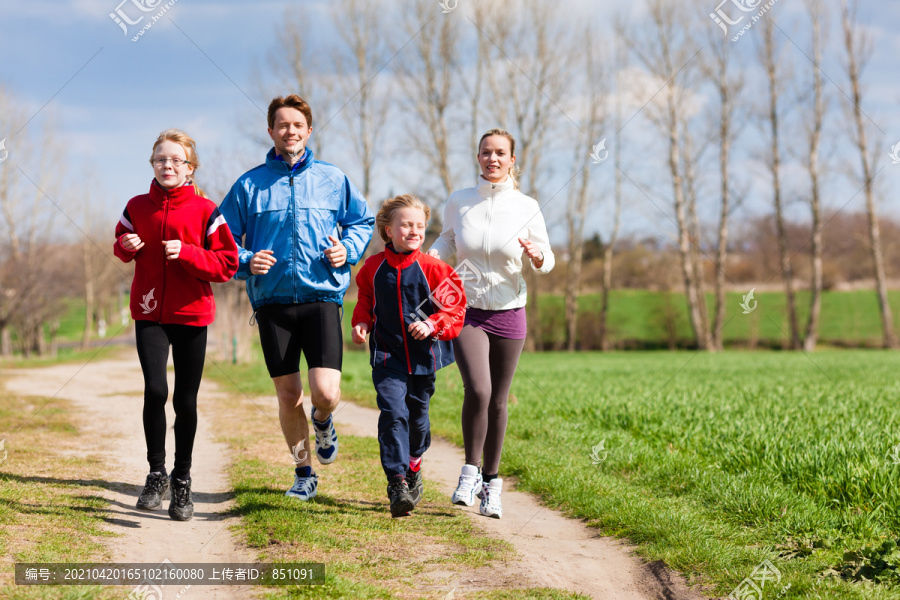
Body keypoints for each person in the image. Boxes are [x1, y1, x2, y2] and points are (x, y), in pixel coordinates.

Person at [219, 94, 374, 501]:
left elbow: (362, 221)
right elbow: (221, 240)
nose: (290, 131)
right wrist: (246, 260)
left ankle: (323, 420)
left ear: (308, 130)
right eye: (282, 125)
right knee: (288, 395)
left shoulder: (332, 178)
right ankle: (303, 472)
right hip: (272, 304)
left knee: (326, 393)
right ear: (270, 131)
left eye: (297, 125)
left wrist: (348, 251)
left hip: (321, 296)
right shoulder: (248, 185)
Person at [428, 128, 555, 519]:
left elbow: (548, 257)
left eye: (501, 153)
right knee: (478, 390)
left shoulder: (526, 206)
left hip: (510, 310)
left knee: (499, 400)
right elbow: (448, 241)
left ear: (512, 160)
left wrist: (537, 257)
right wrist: (428, 259)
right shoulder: (460, 201)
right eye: (486, 152)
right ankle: (469, 472)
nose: (493, 159)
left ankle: (492, 484)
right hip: (467, 310)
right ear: (478, 157)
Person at [114, 129, 239, 521]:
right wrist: (125, 246)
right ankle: (156, 473)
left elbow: (227, 264)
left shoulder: (206, 211)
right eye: (160, 160)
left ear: (190, 168)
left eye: (175, 160)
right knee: (155, 390)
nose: (167, 166)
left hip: (191, 314)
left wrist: (187, 253)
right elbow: (120, 242)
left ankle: (182, 481)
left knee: (185, 401)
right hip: (149, 312)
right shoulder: (137, 206)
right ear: (152, 164)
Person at [351, 195, 466, 517]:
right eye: (406, 225)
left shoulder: (434, 268)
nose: (414, 231)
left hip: (423, 358)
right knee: (392, 413)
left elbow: (455, 309)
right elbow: (365, 300)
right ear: (388, 230)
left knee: (417, 418)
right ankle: (397, 481)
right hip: (387, 356)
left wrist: (433, 324)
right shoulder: (373, 268)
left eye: (419, 225)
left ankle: (414, 464)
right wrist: (361, 322)